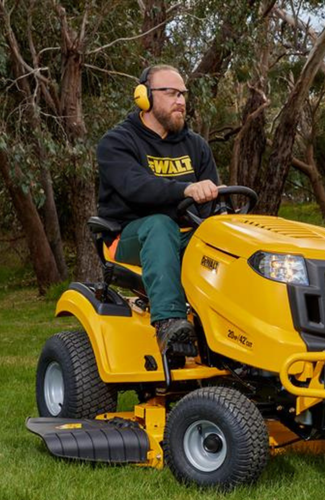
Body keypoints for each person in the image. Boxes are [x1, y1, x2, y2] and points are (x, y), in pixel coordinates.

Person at [96, 64, 220, 358]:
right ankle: (169, 322)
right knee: (160, 225)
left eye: (183, 94)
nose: (181, 101)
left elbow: (212, 203)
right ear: (144, 97)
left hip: (185, 236)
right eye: (172, 93)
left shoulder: (197, 146)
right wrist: (185, 189)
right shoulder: (117, 143)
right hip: (127, 238)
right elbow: (136, 188)